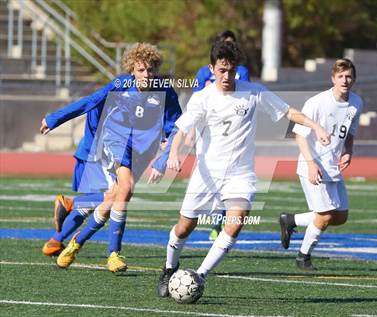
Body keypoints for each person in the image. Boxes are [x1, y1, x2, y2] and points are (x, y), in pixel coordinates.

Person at [157, 40, 330, 297]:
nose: (227, 76)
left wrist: (315, 126)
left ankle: (199, 276)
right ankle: (170, 268)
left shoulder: (253, 92)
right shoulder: (202, 97)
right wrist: (173, 154)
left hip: (241, 174)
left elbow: (288, 112)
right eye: (221, 70)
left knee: (235, 223)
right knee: (185, 226)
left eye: (231, 70)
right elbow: (182, 130)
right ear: (211, 68)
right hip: (207, 174)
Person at [40, 42, 182, 272]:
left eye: (150, 69)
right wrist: (55, 119)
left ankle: (73, 242)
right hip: (115, 140)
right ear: (131, 71)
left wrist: (163, 159)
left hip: (141, 148)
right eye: (141, 70)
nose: (146, 75)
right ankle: (113, 254)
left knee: (115, 195)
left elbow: (176, 127)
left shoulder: (165, 91)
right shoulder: (120, 85)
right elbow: (89, 102)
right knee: (125, 187)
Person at [279, 58, 363, 270]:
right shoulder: (317, 102)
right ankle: (303, 257)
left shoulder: (356, 102)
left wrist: (348, 151)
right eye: (341, 76)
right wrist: (310, 164)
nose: (345, 80)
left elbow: (350, 132)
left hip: (333, 166)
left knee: (340, 216)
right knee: (325, 216)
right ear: (333, 78)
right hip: (313, 164)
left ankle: (290, 220)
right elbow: (299, 135)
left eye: (349, 76)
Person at [191, 30, 250, 241]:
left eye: (232, 44)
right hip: (209, 130)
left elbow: (245, 96)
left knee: (233, 187)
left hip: (232, 131)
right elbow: (196, 96)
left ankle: (219, 224)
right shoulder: (203, 72)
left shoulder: (241, 71)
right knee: (208, 182)